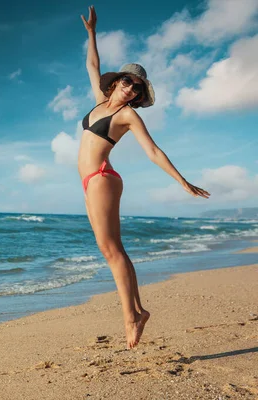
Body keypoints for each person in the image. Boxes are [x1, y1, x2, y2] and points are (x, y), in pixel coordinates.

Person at [79, 6, 210, 349]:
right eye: (127, 82)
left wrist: (182, 181)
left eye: (136, 88)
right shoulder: (99, 101)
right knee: (114, 249)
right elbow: (93, 65)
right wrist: (92, 33)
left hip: (102, 177)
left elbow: (153, 151)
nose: (131, 89)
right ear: (117, 81)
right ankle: (138, 309)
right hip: (90, 180)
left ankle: (131, 317)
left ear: (138, 95)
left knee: (110, 250)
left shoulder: (127, 117)